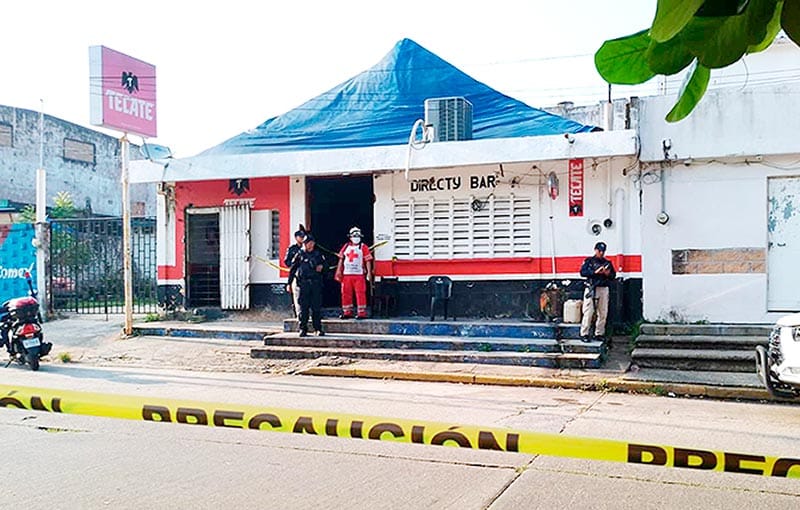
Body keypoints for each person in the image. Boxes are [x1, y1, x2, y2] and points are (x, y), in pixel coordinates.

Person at [287, 234, 325, 337]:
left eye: (312, 243)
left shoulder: (318, 255)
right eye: (308, 243)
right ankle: (303, 329)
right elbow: (292, 269)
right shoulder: (299, 254)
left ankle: (317, 328)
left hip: (315, 283)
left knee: (316, 308)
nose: (310, 245)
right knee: (302, 308)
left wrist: (322, 267)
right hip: (302, 284)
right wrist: (289, 283)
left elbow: (326, 268)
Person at [579, 241, 616, 342]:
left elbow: (613, 276)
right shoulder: (589, 261)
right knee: (588, 311)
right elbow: (582, 272)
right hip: (591, 287)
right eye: (599, 250)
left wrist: (607, 273)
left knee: (603, 312)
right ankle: (584, 333)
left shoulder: (607, 263)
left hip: (603, 287)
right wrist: (595, 272)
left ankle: (599, 333)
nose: (601, 253)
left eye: (603, 251)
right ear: (595, 250)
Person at [335, 226, 373, 319]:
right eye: (354, 235)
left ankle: (361, 312)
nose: (356, 237)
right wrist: (339, 270)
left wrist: (369, 273)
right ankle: (347, 312)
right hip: (346, 275)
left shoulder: (364, 247)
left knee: (360, 293)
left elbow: (368, 260)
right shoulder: (346, 246)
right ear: (350, 237)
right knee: (345, 293)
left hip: (359, 275)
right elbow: (341, 259)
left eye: (358, 235)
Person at [284, 225, 307, 317]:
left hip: (306, 275)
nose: (302, 238)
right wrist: (294, 265)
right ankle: (297, 314)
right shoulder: (292, 249)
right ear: (296, 238)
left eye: (303, 237)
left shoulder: (307, 248)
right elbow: (287, 261)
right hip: (296, 274)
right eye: (300, 237)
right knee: (296, 296)